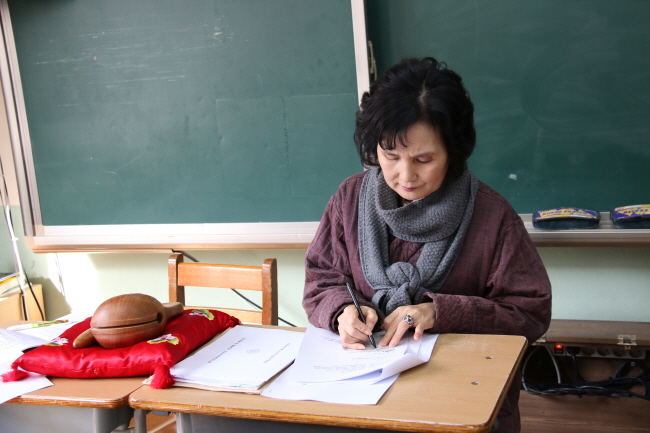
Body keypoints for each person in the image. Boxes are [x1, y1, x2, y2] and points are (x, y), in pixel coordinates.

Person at [302, 57, 552, 433]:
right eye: (390, 156)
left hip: (461, 397)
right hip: (361, 391)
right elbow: (321, 279)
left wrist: (438, 312)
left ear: (453, 151)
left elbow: (529, 313)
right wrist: (343, 311)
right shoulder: (350, 199)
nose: (406, 175)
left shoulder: (492, 216)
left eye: (424, 159)